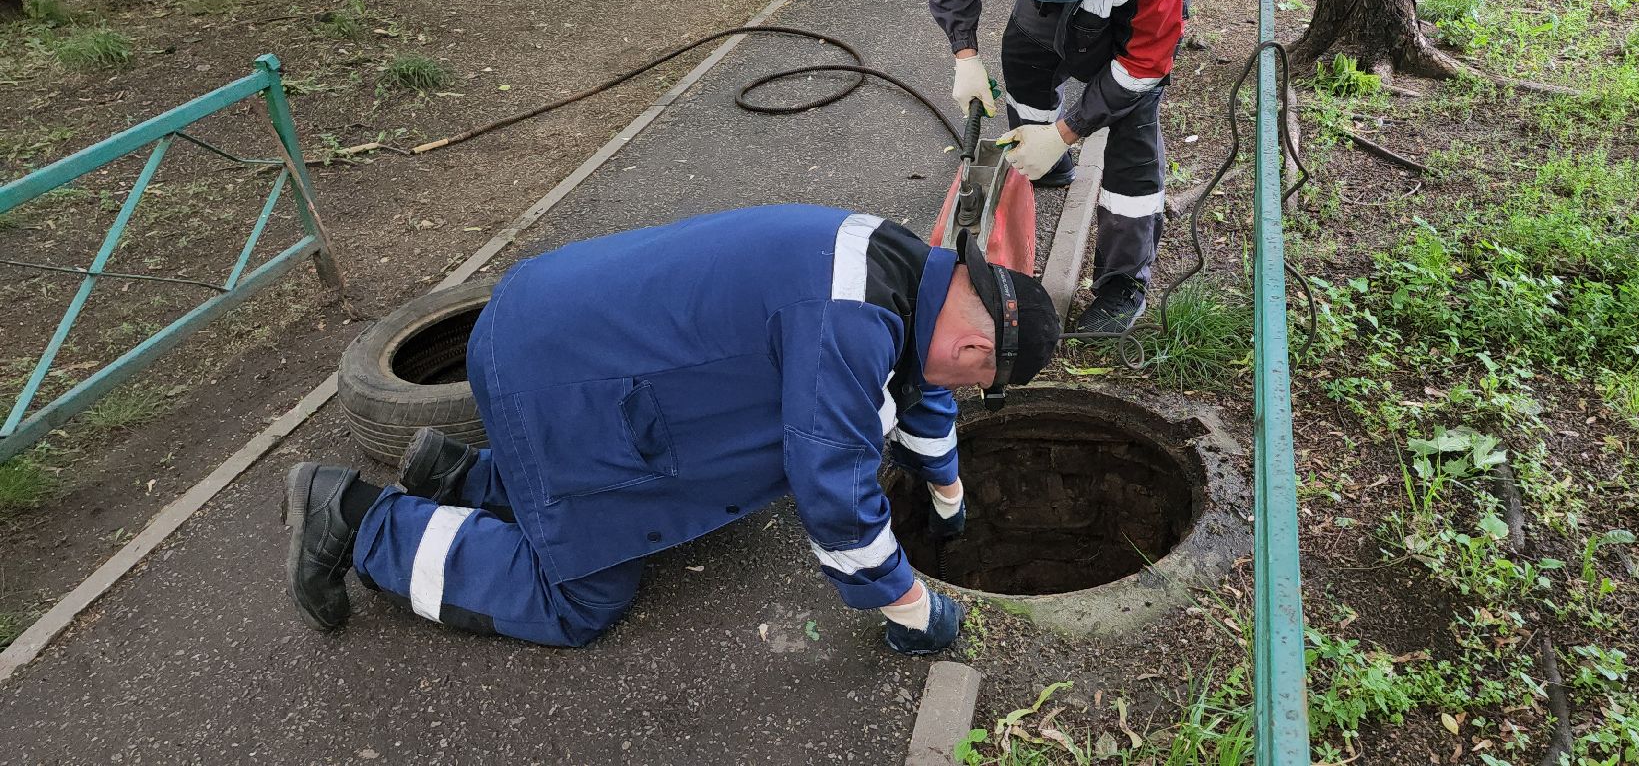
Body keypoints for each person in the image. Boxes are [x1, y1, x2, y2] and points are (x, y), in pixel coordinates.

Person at [283, 205, 1061, 654]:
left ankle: (463, 476)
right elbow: (833, 495)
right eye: (978, 386)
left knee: (611, 512)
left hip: (550, 315)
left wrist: (948, 492)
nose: (963, 394)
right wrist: (913, 609)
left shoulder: (899, 264)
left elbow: (918, 384)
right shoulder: (848, 326)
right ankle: (358, 523)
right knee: (582, 597)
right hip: (556, 378)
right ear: (975, 349)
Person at [929, 0, 1207, 334]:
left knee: (1133, 117)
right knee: (1027, 49)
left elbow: (1146, 64)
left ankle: (1123, 282)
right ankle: (1046, 164)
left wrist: (1067, 131)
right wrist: (964, 53)